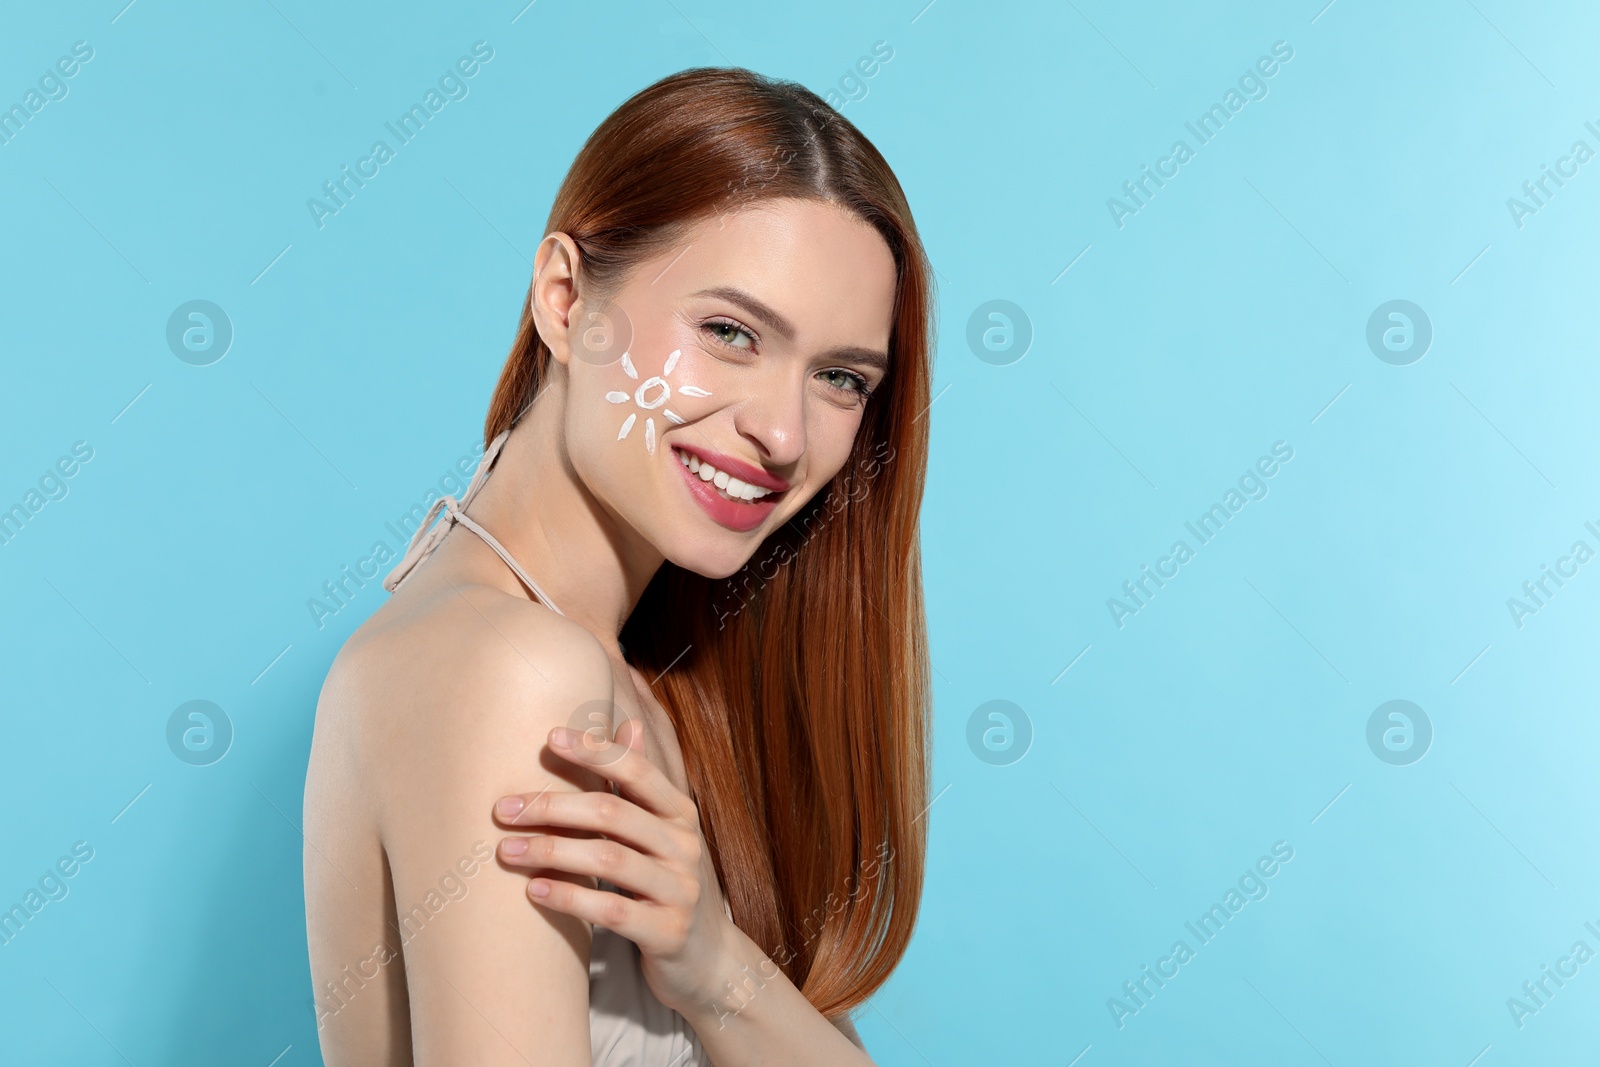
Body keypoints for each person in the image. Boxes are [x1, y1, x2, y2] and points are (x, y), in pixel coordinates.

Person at [303, 65, 933, 1065]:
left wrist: (713, 961)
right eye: (729, 332)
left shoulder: (649, 674)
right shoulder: (509, 667)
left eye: (840, 378)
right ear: (565, 299)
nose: (780, 429)